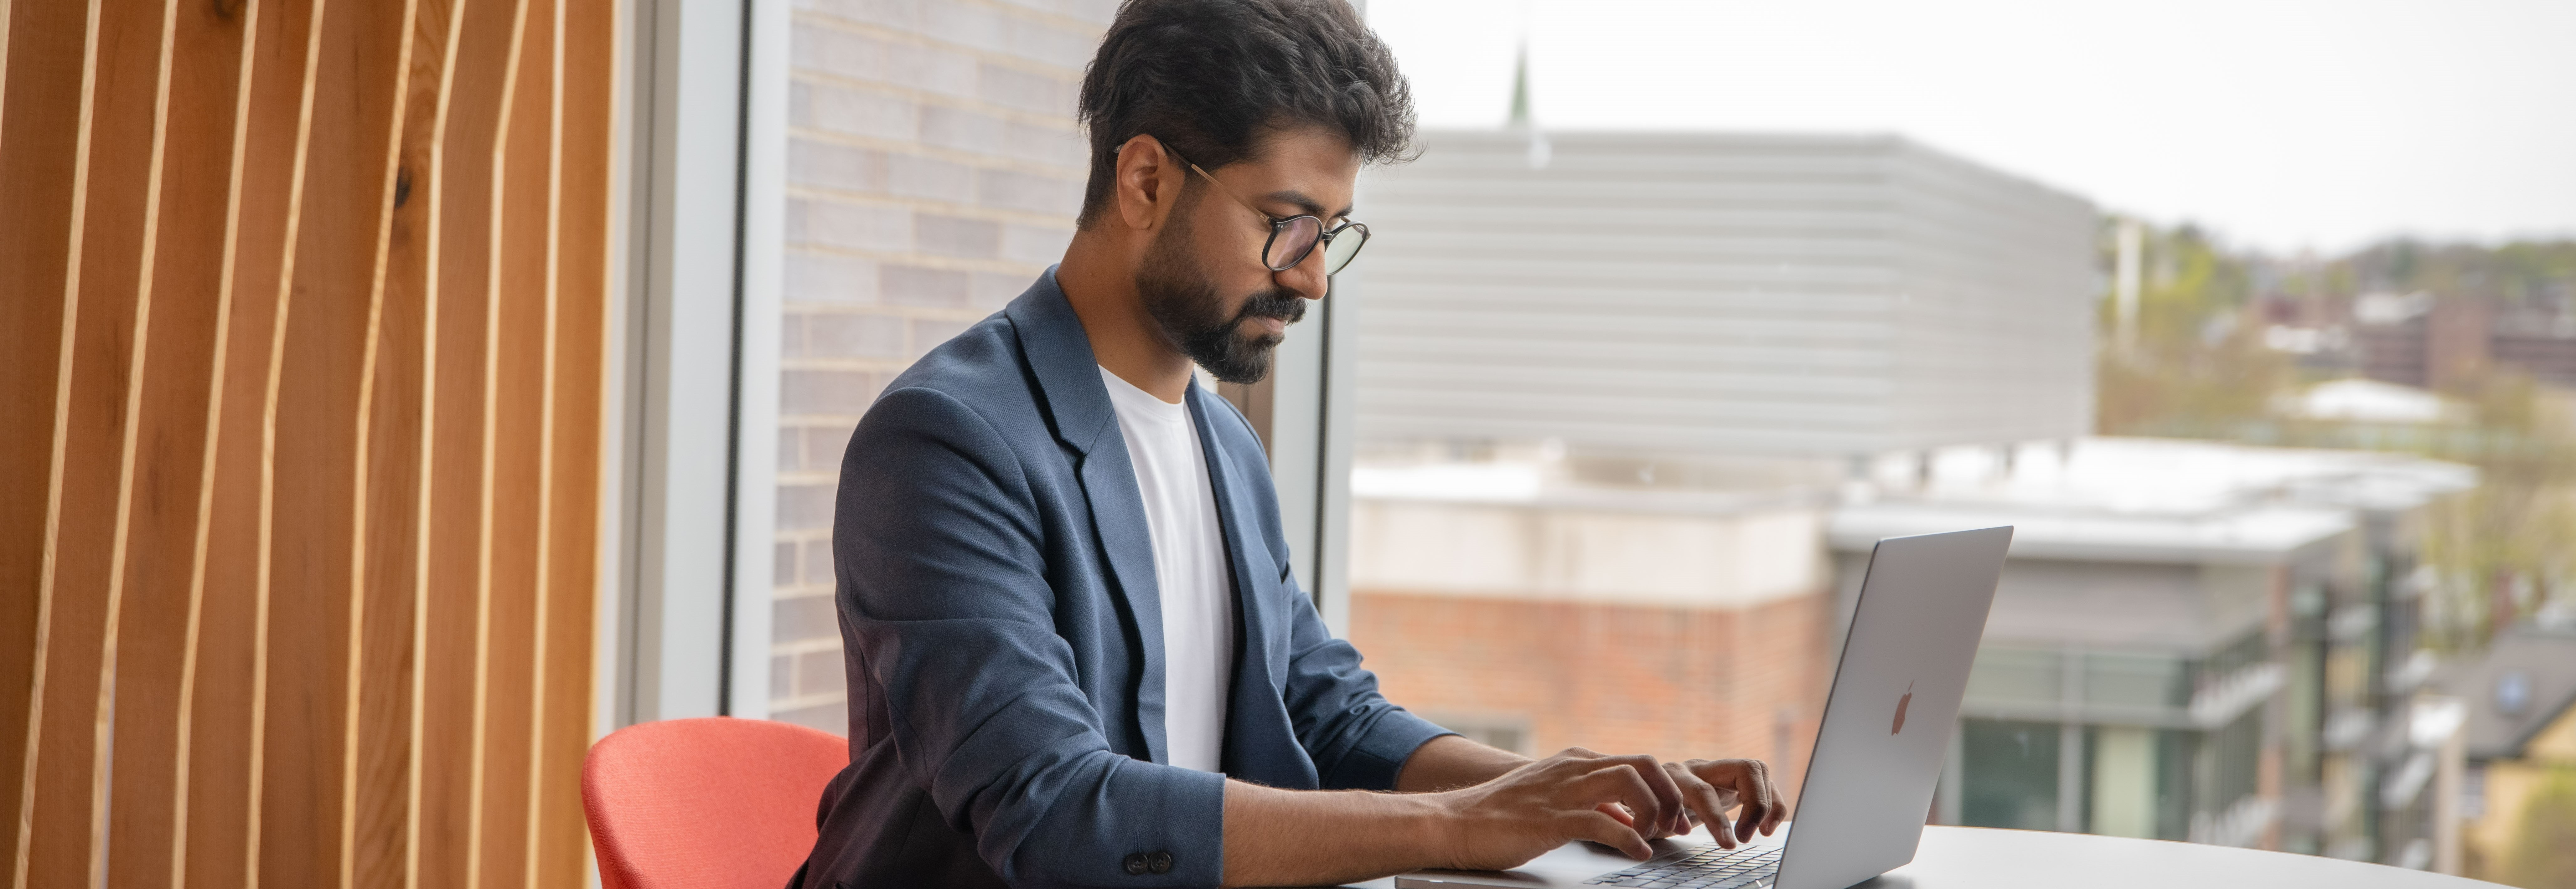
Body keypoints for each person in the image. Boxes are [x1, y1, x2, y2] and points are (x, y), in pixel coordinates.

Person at [790, 1, 1782, 886]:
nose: (1311, 279)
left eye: (1330, 233)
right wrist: (1462, 826)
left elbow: (1325, 714)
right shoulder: (947, 443)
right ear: (1145, 182)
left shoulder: (1225, 447)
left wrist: (1577, 793)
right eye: (1287, 225)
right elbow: (1053, 812)